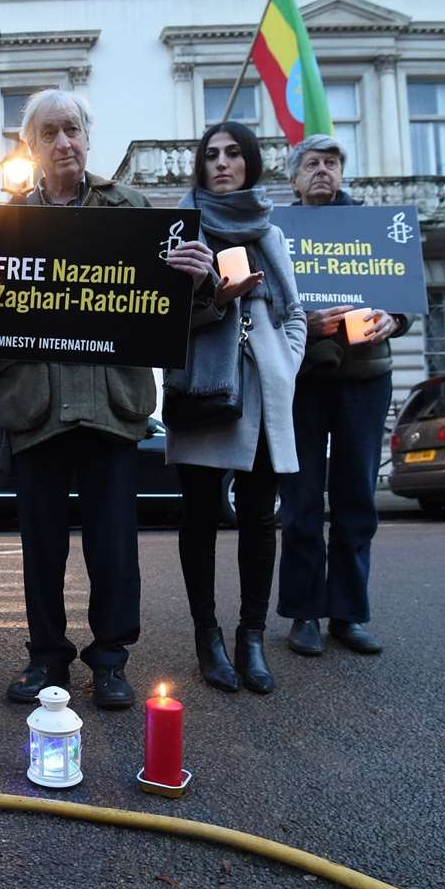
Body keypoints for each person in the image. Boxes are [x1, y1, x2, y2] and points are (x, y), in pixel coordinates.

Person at [0, 90, 155, 710]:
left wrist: (197, 280)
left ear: (87, 135)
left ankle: (110, 660)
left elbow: (169, 311)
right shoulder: (6, 227)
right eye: (48, 133)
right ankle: (47, 659)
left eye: (71, 129)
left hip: (111, 403)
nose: (63, 143)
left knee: (113, 546)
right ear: (30, 147)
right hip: (36, 407)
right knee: (41, 548)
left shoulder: (130, 209)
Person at [164, 121, 306, 695]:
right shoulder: (181, 230)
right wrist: (210, 299)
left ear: (250, 163)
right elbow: (160, 321)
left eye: (233, 154)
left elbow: (294, 313)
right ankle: (208, 635)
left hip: (265, 392)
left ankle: (251, 634)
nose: (221, 164)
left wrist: (284, 364)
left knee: (258, 516)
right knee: (199, 516)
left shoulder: (270, 233)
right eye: (211, 155)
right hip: (204, 387)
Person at [278, 134, 410, 658]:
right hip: (304, 379)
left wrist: (394, 318)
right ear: (294, 177)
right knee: (302, 499)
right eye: (312, 164)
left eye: (331, 163)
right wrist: (300, 321)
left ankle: (348, 614)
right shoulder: (279, 232)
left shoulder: (373, 228)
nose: (322, 171)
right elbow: (268, 303)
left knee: (357, 497)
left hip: (365, 378)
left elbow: (403, 296)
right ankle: (304, 614)